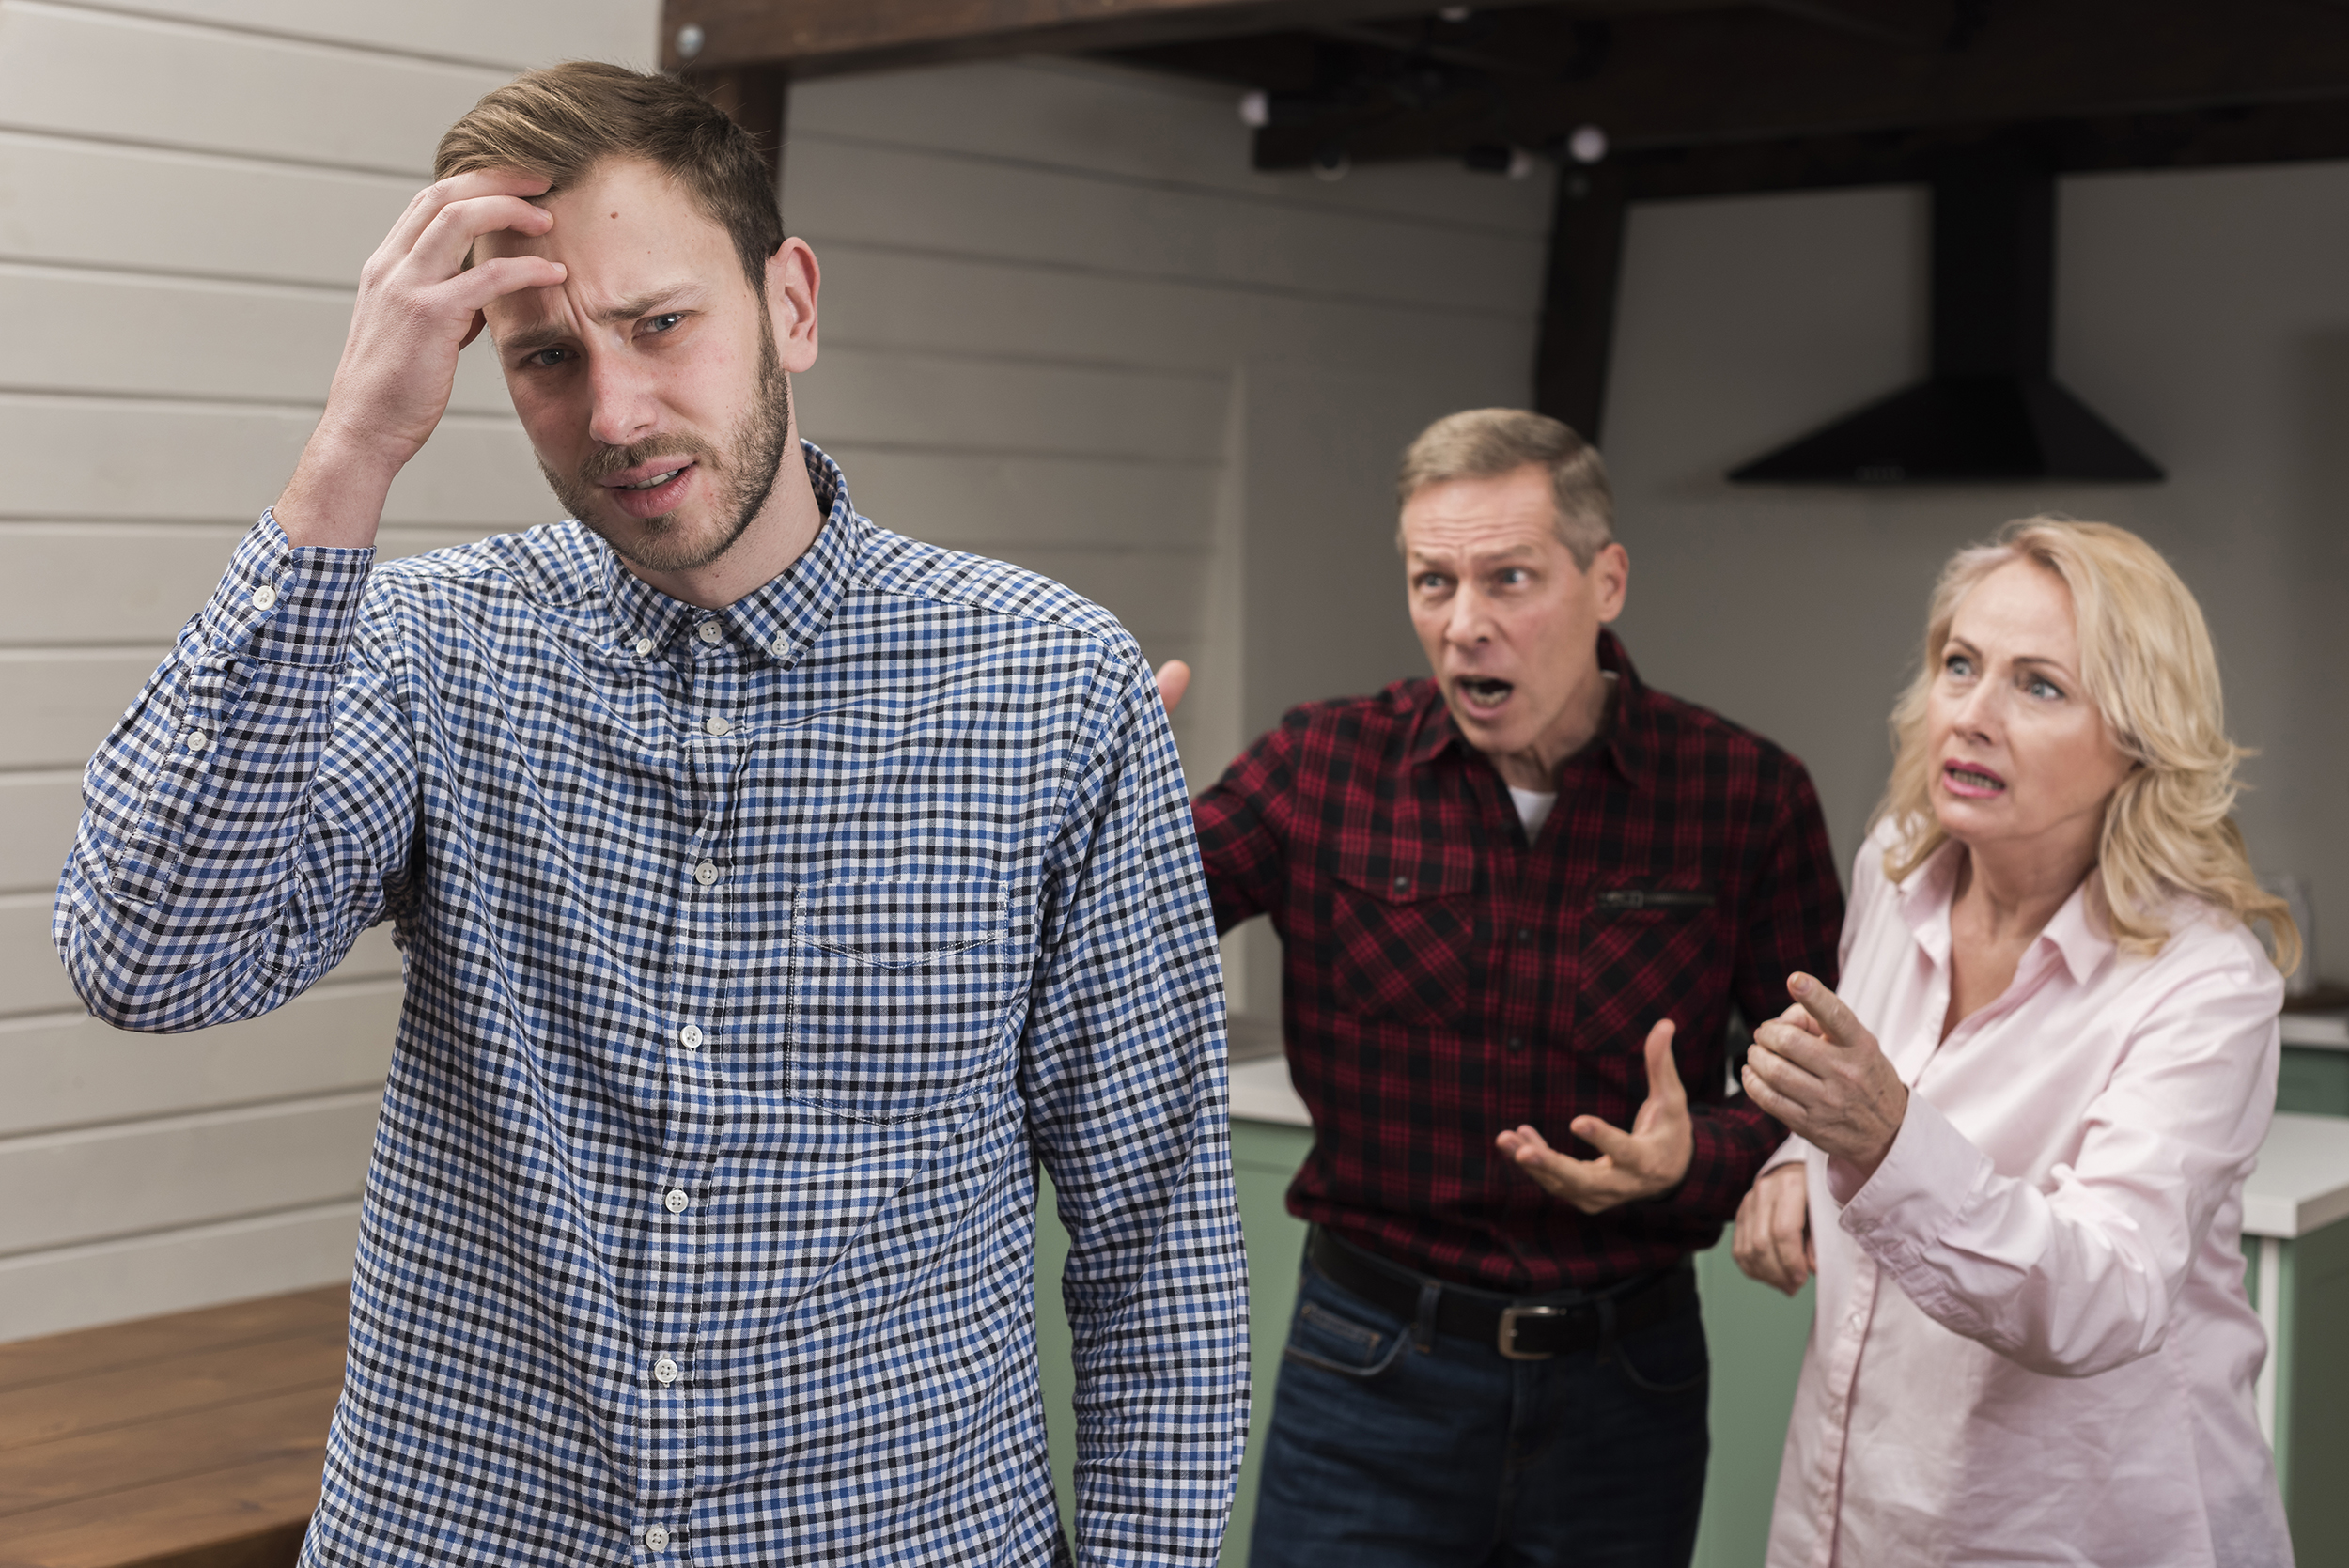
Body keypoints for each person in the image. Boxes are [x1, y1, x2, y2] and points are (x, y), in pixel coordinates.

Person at [53, 63, 1247, 1568]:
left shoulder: (1051, 687)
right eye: (545, 356)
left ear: (790, 305)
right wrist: (349, 451)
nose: (614, 412)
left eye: (661, 324)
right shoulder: (430, 649)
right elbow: (149, 958)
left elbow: (1158, 1240)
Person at [1160, 408, 1843, 1565]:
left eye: (1509, 579)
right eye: (1432, 583)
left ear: (1606, 579)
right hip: (1367, 1369)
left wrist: (1700, 1159)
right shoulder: (1319, 765)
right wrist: (1082, 786)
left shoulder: (1743, 794)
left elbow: (1811, 1077)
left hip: (1627, 1384)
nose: (1464, 624)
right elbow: (1128, 920)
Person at [1732, 518, 2299, 1567]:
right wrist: (1794, 1155)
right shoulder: (1896, 867)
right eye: (1959, 665)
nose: (1971, 716)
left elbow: (2105, 1293)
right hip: (1856, 1515)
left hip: (2079, 1528)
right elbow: (1861, 1101)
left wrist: (1883, 1138)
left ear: (2137, 734)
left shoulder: (2205, 981)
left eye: (2038, 685)